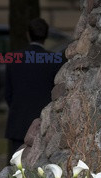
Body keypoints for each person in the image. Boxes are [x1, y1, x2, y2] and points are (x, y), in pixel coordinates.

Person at [5, 18, 63, 161]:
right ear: (46, 35)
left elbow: (8, 94)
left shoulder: (14, 58)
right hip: (45, 124)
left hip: (19, 122)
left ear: (28, 34)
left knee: (16, 167)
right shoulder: (55, 60)